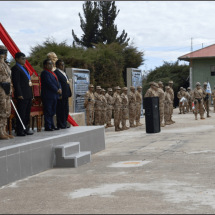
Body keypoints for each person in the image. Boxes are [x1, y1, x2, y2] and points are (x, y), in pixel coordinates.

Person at [11, 52, 34, 136]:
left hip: (28, 94)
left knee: (27, 113)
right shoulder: (15, 68)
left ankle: (26, 128)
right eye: (22, 58)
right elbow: (16, 83)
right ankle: (20, 130)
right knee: (21, 113)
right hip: (22, 95)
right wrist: (19, 94)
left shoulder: (24, 68)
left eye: (25, 58)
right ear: (17, 59)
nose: (24, 60)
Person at [41, 59, 62, 131]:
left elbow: (58, 82)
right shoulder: (45, 73)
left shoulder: (53, 73)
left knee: (53, 111)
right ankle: (48, 126)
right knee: (48, 111)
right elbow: (49, 83)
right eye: (49, 64)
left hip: (54, 95)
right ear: (45, 65)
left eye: (52, 63)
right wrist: (56, 90)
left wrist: (59, 89)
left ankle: (52, 125)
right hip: (48, 95)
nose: (51, 65)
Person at [0, 46, 14, 139]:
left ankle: (4, 130)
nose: (6, 55)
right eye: (4, 52)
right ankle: (0, 131)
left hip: (7, 89)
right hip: (1, 89)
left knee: (6, 110)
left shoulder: (5, 64)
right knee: (1, 110)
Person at [54, 60, 72, 129]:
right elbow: (58, 84)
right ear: (57, 65)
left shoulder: (63, 73)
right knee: (60, 110)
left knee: (65, 110)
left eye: (63, 65)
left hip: (66, 94)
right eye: (61, 65)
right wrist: (60, 94)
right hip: (61, 94)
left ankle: (64, 123)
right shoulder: (56, 72)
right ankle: (60, 124)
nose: (63, 66)